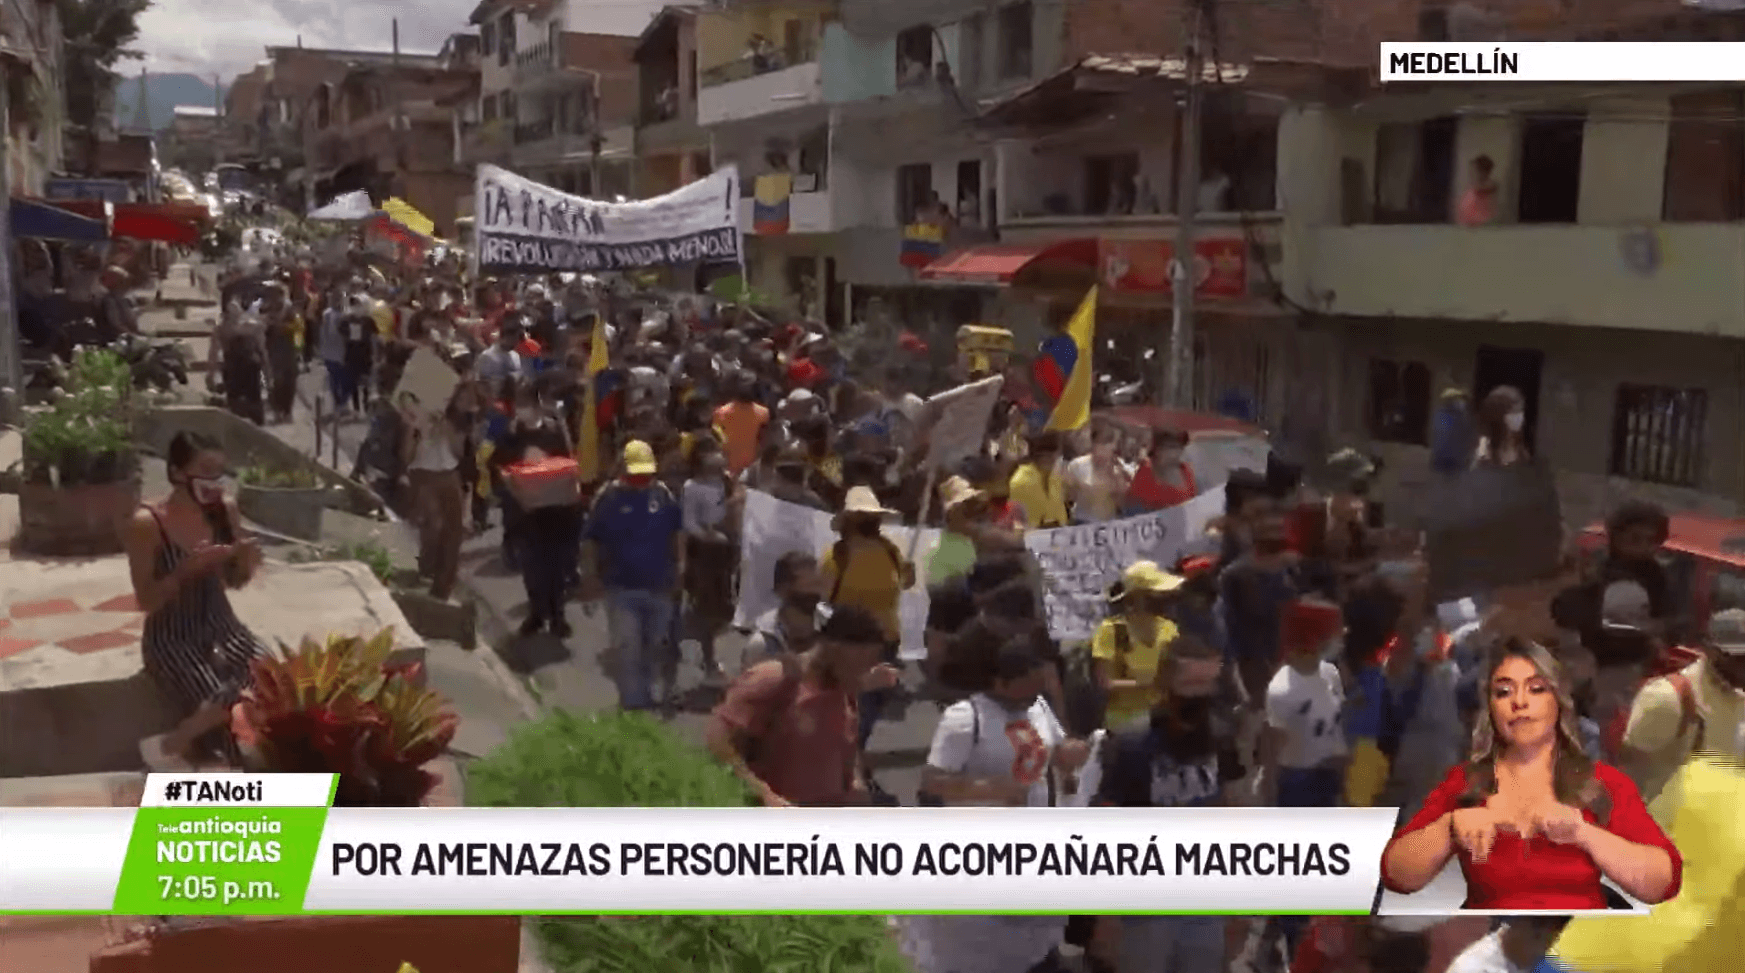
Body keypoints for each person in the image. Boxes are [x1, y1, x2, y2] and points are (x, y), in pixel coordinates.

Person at [1380, 639, 1682, 910]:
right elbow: (1396, 875)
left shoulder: (1601, 782)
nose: (1519, 702)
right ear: (1491, 709)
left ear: (1558, 701)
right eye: (1503, 692)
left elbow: (1663, 883)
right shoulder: (1466, 783)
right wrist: (1448, 827)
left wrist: (1584, 834)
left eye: (1536, 689)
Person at [899, 639, 1087, 973]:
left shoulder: (1038, 707)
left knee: (1034, 936)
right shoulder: (966, 717)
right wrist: (988, 789)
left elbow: (1054, 750)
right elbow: (933, 781)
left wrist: (1070, 753)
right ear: (999, 682)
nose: (1034, 695)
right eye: (1027, 687)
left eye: (1038, 687)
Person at [1094, 635, 1245, 973]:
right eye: (1190, 683)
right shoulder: (1134, 743)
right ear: (1165, 684)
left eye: (1206, 683)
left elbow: (1228, 811)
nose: (1198, 694)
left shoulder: (1219, 736)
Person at [123, 431, 267, 770]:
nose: (213, 481)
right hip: (173, 637)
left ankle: (179, 739)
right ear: (177, 473)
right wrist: (185, 571)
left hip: (224, 628)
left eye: (219, 472)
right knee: (226, 711)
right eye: (205, 470)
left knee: (273, 680)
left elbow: (234, 581)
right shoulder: (148, 523)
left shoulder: (224, 511)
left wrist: (245, 562)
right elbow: (146, 600)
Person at [705, 603, 887, 807]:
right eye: (864, 658)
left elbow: (845, 754)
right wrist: (764, 794)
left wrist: (857, 784)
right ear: (833, 646)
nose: (868, 669)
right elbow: (718, 742)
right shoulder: (774, 679)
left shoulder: (845, 692)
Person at [585, 441, 686, 710]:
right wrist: (591, 577)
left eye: (646, 474)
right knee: (628, 649)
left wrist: (680, 569)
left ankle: (648, 694)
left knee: (655, 647)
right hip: (621, 588)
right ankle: (634, 707)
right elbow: (591, 541)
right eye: (635, 474)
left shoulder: (664, 496)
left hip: (659, 586)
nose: (641, 479)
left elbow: (677, 534)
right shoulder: (607, 498)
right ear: (623, 469)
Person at [1619, 607, 1745, 804]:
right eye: (1738, 657)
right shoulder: (1668, 697)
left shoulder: (1740, 700)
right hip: (1666, 826)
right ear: (1709, 649)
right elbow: (1629, 772)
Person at [493, 387, 580, 637]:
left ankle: (558, 615)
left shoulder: (554, 431)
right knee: (532, 566)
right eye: (518, 404)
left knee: (557, 564)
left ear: (538, 405)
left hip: (556, 509)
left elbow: (568, 463)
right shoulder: (511, 434)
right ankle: (537, 613)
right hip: (525, 510)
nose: (522, 409)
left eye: (526, 403)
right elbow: (499, 465)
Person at [1090, 561, 1185, 731]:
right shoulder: (1115, 630)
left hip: (1164, 717)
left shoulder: (1168, 628)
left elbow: (1173, 675)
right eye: (1155, 593)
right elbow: (1105, 683)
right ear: (1137, 597)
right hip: (1126, 720)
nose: (1163, 597)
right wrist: (1149, 683)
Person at [401, 394, 467, 602]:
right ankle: (427, 573)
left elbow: (459, 453)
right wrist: (414, 429)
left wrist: (446, 427)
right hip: (423, 475)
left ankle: (443, 589)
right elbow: (406, 457)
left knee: (454, 533)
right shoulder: (411, 419)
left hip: (449, 475)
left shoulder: (452, 418)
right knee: (433, 528)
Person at [681, 441, 736, 682]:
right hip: (705, 552)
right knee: (707, 607)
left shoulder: (726, 481)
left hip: (728, 551)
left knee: (724, 607)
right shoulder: (692, 487)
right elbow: (689, 522)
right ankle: (708, 658)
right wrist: (709, 536)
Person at [1444, 916, 1570, 973]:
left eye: (1557, 927)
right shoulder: (1471, 968)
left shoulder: (1543, 964)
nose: (1549, 936)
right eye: (1538, 924)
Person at [1063, 424, 1130, 524]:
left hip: (1109, 524)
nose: (1104, 448)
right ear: (1093, 444)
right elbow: (1068, 496)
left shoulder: (1120, 467)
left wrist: (1117, 477)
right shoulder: (1077, 465)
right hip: (1082, 522)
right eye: (1101, 443)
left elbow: (1123, 503)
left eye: (1109, 443)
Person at [1124, 427, 1197, 514]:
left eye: (1178, 447)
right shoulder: (1145, 474)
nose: (1174, 453)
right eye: (1168, 448)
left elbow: (1195, 503)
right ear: (1157, 450)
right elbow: (1133, 511)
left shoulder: (1185, 471)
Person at [712, 376, 770, 480]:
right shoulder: (721, 413)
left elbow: (763, 441)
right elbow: (717, 442)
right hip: (728, 469)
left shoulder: (764, 413)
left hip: (751, 470)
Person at [1008, 430, 1067, 529]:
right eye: (1045, 456)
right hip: (1033, 536)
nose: (1051, 459)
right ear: (1035, 456)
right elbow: (1017, 519)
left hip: (1059, 533)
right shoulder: (1020, 481)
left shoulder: (1055, 477)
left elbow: (1060, 510)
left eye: (1053, 455)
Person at [1473, 386, 1530, 467]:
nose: (1519, 417)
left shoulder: (1519, 448)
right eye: (1513, 411)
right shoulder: (1483, 447)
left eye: (1520, 410)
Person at [1457, 155, 1498, 227]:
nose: (1472, 173)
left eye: (1475, 170)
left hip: (1482, 223)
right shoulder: (1473, 186)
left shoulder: (1489, 185)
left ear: (1484, 172)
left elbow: (1483, 189)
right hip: (1468, 223)